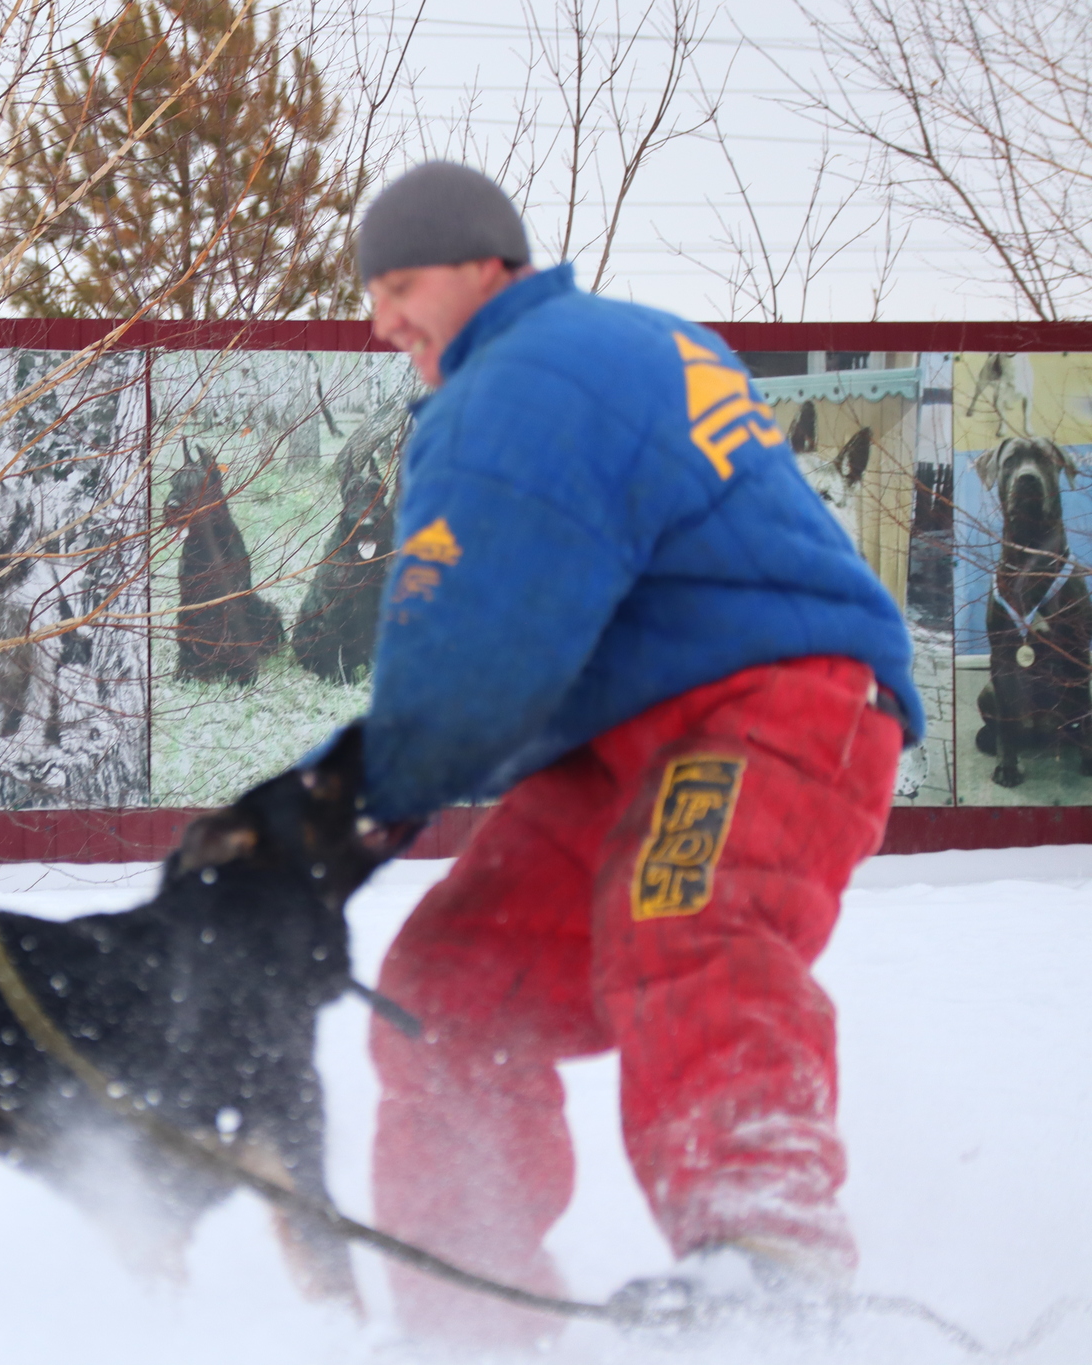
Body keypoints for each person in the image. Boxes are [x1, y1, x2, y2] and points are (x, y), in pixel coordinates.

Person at [346, 162, 921, 1345]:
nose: (381, 320)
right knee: (450, 983)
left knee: (687, 912)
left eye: (399, 283)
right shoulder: (609, 347)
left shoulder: (524, 379)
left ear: (484, 266)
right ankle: (464, 1300)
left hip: (774, 702)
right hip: (628, 745)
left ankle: (767, 1257)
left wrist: (343, 804)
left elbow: (468, 643)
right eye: (370, 296)